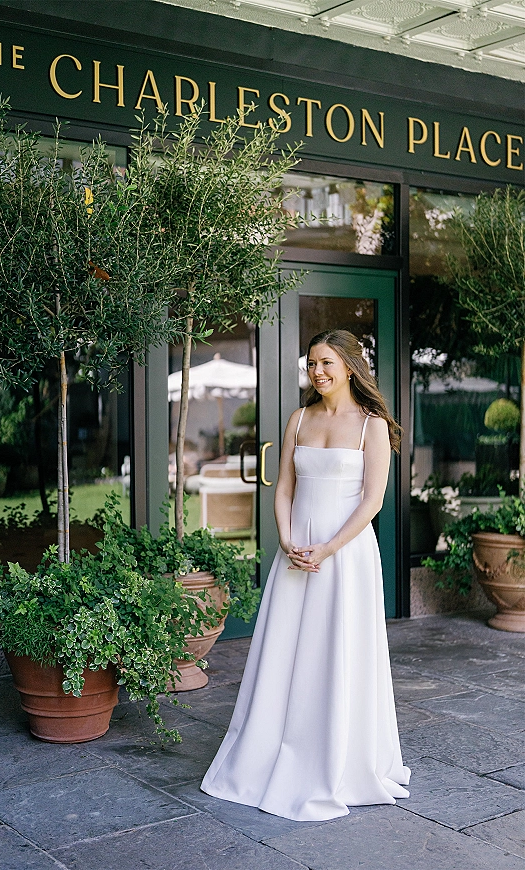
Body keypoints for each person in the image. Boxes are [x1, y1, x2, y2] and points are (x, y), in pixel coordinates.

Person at [200, 329, 411, 821]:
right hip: (296, 554)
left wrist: (328, 548)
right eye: (312, 363)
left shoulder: (371, 425)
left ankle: (340, 756)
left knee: (339, 651)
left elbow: (372, 500)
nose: (317, 372)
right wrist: (289, 541)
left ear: (350, 367)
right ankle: (275, 747)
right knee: (288, 653)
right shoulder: (299, 419)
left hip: (346, 556)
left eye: (326, 363)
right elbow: (283, 490)